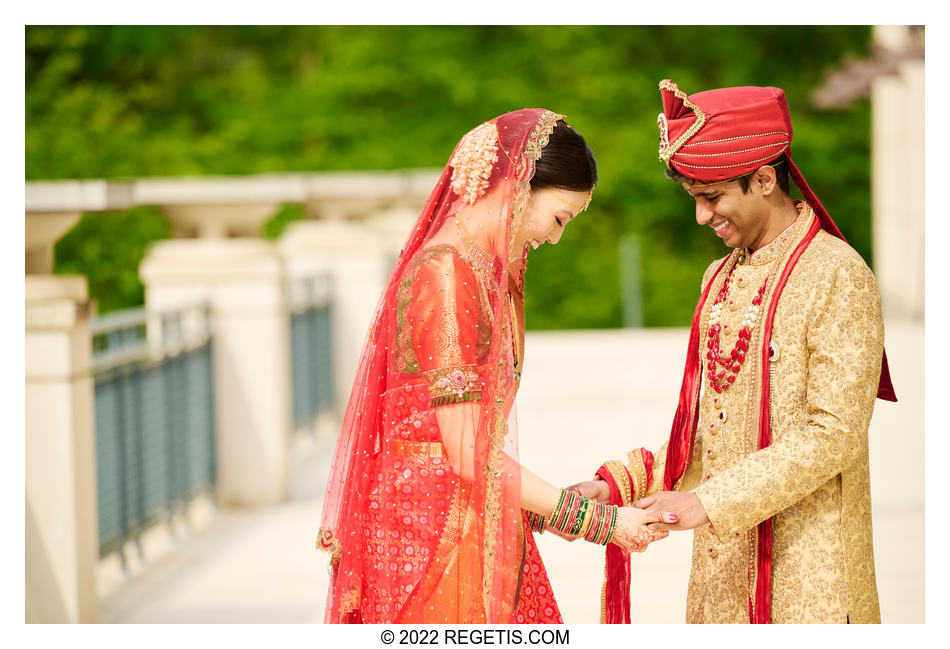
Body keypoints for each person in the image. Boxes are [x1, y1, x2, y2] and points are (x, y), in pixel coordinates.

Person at [317, 109, 674, 624]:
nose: (554, 239)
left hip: (469, 517)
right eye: (560, 219)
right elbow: (466, 452)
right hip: (429, 532)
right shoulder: (447, 274)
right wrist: (595, 521)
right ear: (521, 184)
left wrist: (545, 507)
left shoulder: (483, 272)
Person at [572, 80, 897, 624]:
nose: (702, 217)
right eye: (695, 199)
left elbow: (834, 432)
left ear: (764, 179)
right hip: (721, 580)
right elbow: (705, 439)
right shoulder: (719, 278)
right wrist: (615, 485)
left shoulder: (838, 275)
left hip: (808, 579)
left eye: (712, 196)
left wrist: (708, 503)